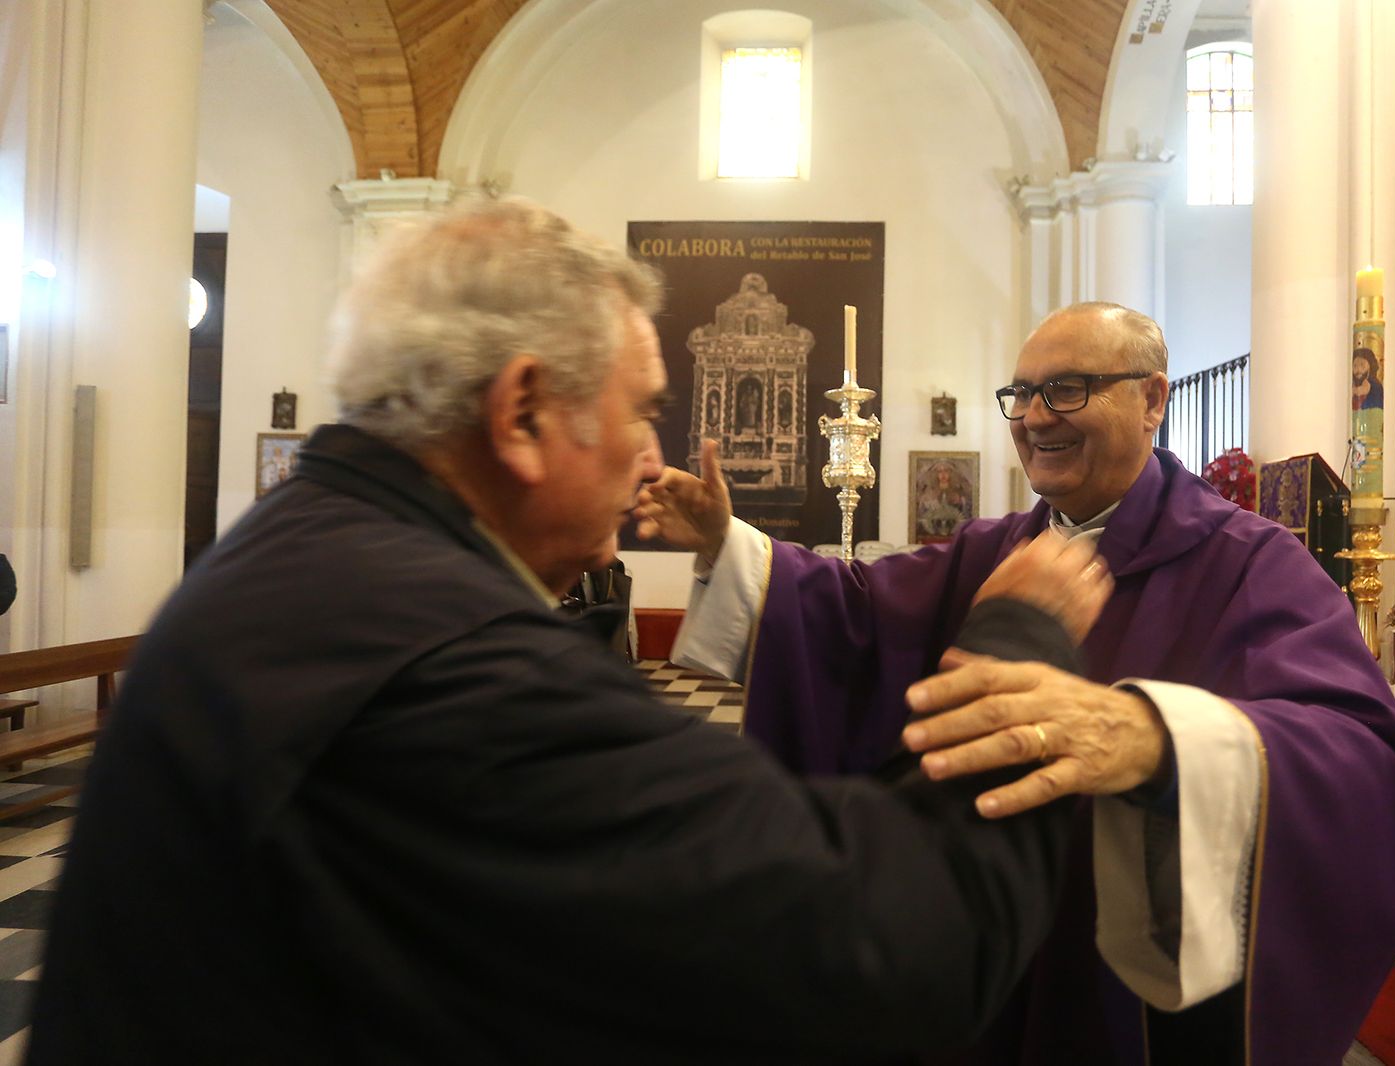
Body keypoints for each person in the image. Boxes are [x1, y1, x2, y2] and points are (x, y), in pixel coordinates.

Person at [27, 201, 1120, 1065]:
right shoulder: (448, 666)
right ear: (522, 412)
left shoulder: (314, 550)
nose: (654, 454)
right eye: (643, 407)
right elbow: (888, 940)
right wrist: (1019, 645)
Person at [637, 302, 1395, 1065]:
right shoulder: (995, 551)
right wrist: (726, 543)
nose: (1032, 417)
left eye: (1065, 390)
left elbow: (1364, 758)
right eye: (1020, 394)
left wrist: (1159, 740)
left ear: (1151, 400)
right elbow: (851, 621)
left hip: (1122, 981)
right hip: (987, 943)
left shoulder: (1251, 562)